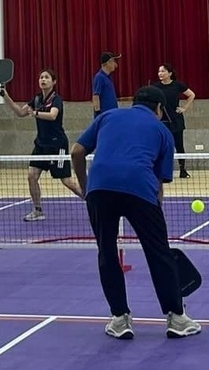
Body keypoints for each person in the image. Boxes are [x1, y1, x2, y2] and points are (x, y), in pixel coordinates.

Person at [70, 85, 201, 340]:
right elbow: (159, 183)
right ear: (160, 109)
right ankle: (176, 318)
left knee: (107, 252)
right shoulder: (163, 131)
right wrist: (156, 219)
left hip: (99, 190)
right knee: (158, 253)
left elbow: (77, 151)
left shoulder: (107, 116)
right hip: (139, 189)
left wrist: (87, 189)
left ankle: (120, 319)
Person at [0, 68, 83, 221]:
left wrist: (36, 113)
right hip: (41, 145)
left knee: (67, 181)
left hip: (57, 145)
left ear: (54, 82)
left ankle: (92, 201)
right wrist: (6, 97)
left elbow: (52, 115)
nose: (43, 80)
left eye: (46, 77)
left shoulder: (56, 99)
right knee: (31, 176)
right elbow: (20, 112)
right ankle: (37, 210)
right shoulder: (37, 99)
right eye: (41, 77)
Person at [152, 63, 195, 179]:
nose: (160, 73)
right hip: (162, 121)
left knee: (179, 146)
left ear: (170, 73)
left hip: (176, 120)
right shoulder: (155, 87)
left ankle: (183, 170)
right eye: (159, 71)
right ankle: (161, 170)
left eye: (163, 71)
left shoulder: (177, 85)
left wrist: (184, 108)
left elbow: (191, 95)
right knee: (162, 147)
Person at [91, 52, 120, 117]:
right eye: (113, 62)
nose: (116, 65)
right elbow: (96, 96)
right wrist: (98, 114)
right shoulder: (99, 77)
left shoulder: (108, 77)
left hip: (111, 113)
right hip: (104, 115)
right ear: (108, 63)